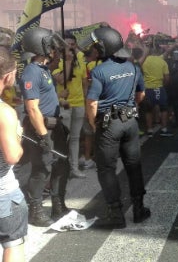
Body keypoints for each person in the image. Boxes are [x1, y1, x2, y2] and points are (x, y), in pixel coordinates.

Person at [82, 27, 150, 229]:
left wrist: (95, 125)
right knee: (133, 165)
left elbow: (92, 103)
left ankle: (116, 214)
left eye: (96, 46)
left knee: (106, 169)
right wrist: (130, 108)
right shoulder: (134, 67)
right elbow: (141, 96)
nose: (94, 50)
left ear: (104, 48)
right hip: (130, 122)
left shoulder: (99, 71)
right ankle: (139, 210)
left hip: (108, 124)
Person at [15, 27, 69, 227]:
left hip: (55, 125)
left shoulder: (43, 69)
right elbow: (32, 108)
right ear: (41, 46)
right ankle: (35, 210)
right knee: (42, 169)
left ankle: (58, 204)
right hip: (42, 128)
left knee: (61, 165)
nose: (53, 47)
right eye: (50, 44)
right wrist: (43, 135)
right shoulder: (31, 72)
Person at [0, 46, 27, 261]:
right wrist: (17, 134)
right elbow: (12, 156)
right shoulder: (5, 112)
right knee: (13, 243)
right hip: (3, 193)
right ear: (8, 76)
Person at [52, 36, 88, 179]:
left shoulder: (80, 60)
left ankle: (74, 168)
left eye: (72, 45)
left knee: (75, 138)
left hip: (79, 104)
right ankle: (61, 168)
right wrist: (67, 61)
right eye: (67, 45)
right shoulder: (57, 62)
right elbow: (61, 79)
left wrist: (85, 101)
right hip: (64, 105)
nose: (70, 47)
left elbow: (84, 82)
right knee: (62, 139)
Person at [141, 43, 173, 137]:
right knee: (163, 109)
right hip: (159, 88)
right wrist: (164, 86)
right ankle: (164, 129)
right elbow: (167, 78)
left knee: (148, 110)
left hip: (148, 89)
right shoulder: (162, 61)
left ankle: (150, 130)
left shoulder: (144, 61)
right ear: (159, 52)